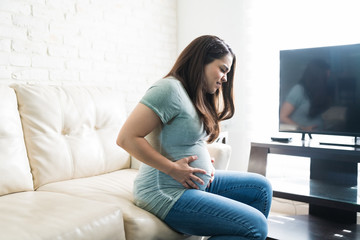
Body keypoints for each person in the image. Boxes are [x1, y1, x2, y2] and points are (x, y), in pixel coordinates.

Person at [117, 35, 272, 240]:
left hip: (193, 183)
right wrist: (172, 168)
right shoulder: (168, 89)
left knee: (260, 188)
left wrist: (206, 162)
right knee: (256, 226)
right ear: (201, 61)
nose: (225, 78)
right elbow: (126, 138)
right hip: (165, 191)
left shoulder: (193, 95)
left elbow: (184, 137)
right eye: (223, 69)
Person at [280, 58, 332, 132]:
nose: (329, 74)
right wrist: (303, 129)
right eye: (327, 72)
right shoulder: (298, 90)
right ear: (319, 74)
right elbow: (283, 116)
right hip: (304, 136)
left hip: (318, 135)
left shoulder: (317, 90)